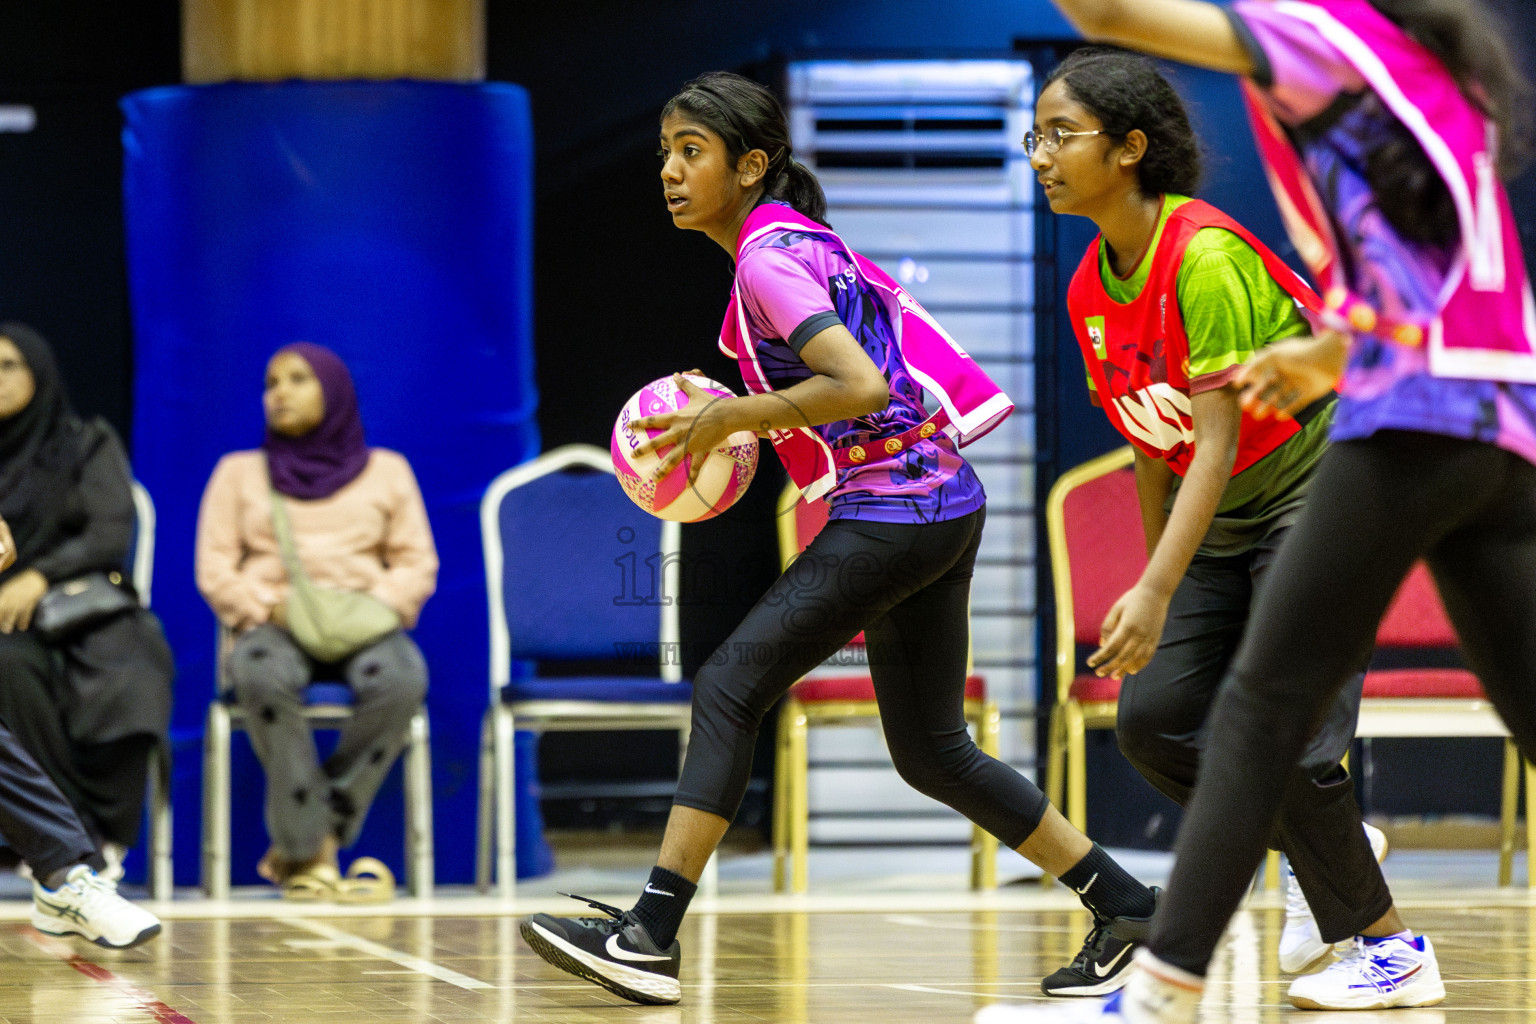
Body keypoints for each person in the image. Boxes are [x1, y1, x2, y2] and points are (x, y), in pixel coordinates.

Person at [520, 70, 1164, 1008]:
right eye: (665, 150)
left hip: (897, 511)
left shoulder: (765, 260)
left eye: (690, 151)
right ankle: (1129, 903)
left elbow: (857, 385)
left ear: (749, 166)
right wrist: (745, 414)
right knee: (934, 751)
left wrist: (734, 415)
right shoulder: (797, 242)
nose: (668, 169)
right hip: (942, 500)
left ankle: (648, 933)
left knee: (729, 684)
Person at [981, 0, 1536, 1019]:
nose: (1044, 153)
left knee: (1257, 714)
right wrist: (1329, 347)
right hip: (1503, 411)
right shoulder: (1419, 77)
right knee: (1197, 721)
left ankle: (1158, 992)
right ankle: (1339, 887)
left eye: (1061, 132)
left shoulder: (1326, 37)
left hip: (1402, 425)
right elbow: (1430, 270)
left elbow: (1106, 13)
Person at [1034, 45, 1408, 990]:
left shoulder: (1200, 255)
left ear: (1128, 148)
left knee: (1291, 733)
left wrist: (1155, 585)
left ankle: (1390, 949)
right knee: (1154, 722)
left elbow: (1213, 438)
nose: (1039, 153)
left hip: (1321, 489)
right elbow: (1153, 446)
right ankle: (1326, 843)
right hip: (1227, 512)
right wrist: (1158, 572)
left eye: (1060, 135)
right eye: (1034, 136)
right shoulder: (1090, 288)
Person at [195, 342, 437, 900]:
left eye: (297, 379)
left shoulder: (387, 472)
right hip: (275, 620)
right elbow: (213, 566)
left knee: (401, 679)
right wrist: (265, 606)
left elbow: (416, 562)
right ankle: (319, 849)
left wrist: (377, 604)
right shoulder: (239, 473)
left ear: (333, 391)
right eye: (270, 382)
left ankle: (306, 846)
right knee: (257, 671)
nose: (278, 393)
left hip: (364, 620)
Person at [0, 322, 174, 876]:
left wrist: (37, 577)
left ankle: (102, 831)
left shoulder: (84, 442)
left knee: (137, 658)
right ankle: (66, 837)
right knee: (8, 666)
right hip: (6, 625)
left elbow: (108, 533)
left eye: (8, 366)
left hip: (78, 606)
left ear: (39, 373)